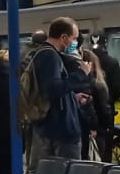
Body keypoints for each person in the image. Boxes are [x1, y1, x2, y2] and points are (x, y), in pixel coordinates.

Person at [28, 17, 94, 163]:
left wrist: (72, 97)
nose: (75, 43)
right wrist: (81, 74)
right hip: (60, 130)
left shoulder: (46, 53)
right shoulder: (49, 55)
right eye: (74, 38)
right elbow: (53, 89)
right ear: (63, 37)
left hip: (54, 126)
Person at [92, 33, 120, 108]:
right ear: (105, 44)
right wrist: (111, 100)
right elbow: (117, 87)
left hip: (90, 106)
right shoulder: (112, 62)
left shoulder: (84, 61)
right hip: (107, 105)